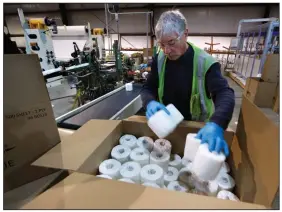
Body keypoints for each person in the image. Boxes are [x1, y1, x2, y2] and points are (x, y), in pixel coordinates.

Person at [141, 10, 235, 157]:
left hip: (197, 129)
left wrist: (217, 123)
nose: (167, 50)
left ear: (185, 33)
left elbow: (224, 93)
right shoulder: (159, 59)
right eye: (161, 44)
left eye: (171, 42)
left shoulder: (205, 62)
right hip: (167, 126)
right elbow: (149, 87)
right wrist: (149, 102)